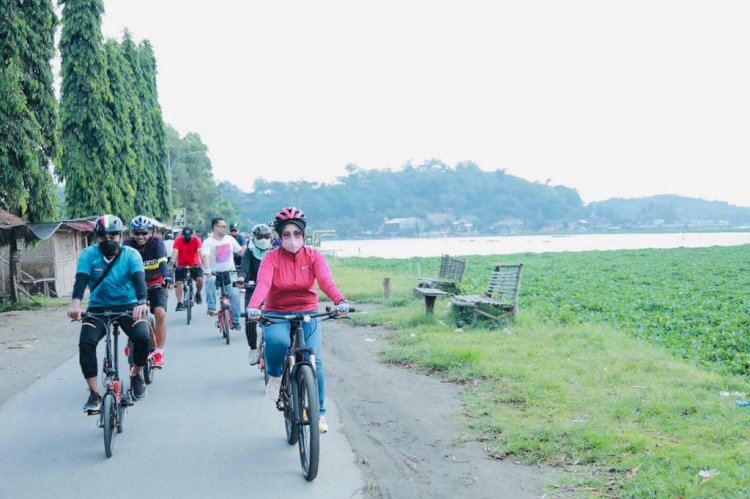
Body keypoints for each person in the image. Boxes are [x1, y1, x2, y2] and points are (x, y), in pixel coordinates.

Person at [246, 207, 349, 434]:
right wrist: (253, 306)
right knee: (279, 342)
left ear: (303, 235)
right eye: (286, 235)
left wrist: (340, 300)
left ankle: (319, 414)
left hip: (308, 312)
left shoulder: (314, 256)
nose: (292, 239)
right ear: (279, 236)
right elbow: (263, 285)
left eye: (297, 234)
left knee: (316, 362)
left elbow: (325, 282)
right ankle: (274, 376)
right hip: (276, 312)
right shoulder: (271, 258)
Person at [68, 215, 150, 411]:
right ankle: (94, 393)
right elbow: (80, 281)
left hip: (129, 306)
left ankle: (136, 374)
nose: (109, 240)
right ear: (97, 238)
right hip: (98, 308)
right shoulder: (88, 254)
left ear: (120, 237)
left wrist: (141, 303)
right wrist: (75, 305)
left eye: (113, 236)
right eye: (104, 236)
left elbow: (140, 282)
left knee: (142, 336)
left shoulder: (131, 255)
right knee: (86, 342)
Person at [124, 215, 171, 368]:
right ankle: (130, 342)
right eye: (137, 233)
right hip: (136, 287)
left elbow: (163, 262)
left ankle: (158, 352)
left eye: (144, 233)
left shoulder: (157, 243)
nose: (140, 236)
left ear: (150, 232)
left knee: (160, 313)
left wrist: (167, 277)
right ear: (132, 233)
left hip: (156, 283)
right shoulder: (127, 245)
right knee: (127, 316)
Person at [236, 223, 273, 364]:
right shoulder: (250, 252)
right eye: (260, 236)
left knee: (279, 319)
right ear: (254, 238)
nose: (263, 239)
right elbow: (244, 267)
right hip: (253, 289)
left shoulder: (275, 251)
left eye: (266, 236)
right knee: (250, 319)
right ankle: (252, 348)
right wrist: (241, 278)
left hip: (272, 291)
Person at [202, 217, 244, 328]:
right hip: (215, 273)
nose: (225, 228)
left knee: (234, 295)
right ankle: (211, 306)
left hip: (230, 273)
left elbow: (240, 251)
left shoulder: (230, 239)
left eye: (225, 226)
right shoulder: (208, 242)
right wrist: (208, 269)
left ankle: (235, 321)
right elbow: (205, 255)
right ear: (215, 228)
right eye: (222, 226)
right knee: (210, 280)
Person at [172, 226, 204, 311]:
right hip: (181, 265)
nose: (187, 237)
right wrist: (171, 264)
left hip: (195, 265)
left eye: (189, 235)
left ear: (192, 235)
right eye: (185, 236)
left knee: (200, 280)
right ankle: (179, 303)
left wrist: (204, 264)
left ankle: (198, 293)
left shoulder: (196, 239)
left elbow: (200, 251)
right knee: (179, 283)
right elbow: (175, 252)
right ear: (182, 235)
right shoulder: (178, 240)